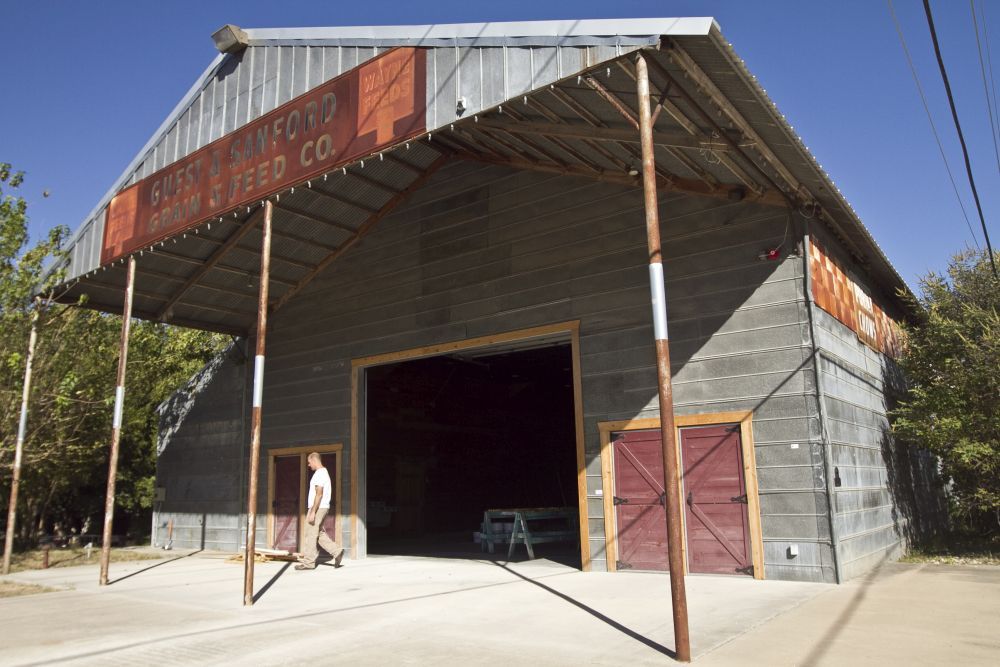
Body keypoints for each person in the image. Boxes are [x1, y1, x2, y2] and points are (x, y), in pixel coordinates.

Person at [295, 452, 345, 570]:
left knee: (310, 534)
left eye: (309, 462)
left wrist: (312, 511)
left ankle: (309, 563)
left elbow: (319, 494)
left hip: (318, 507)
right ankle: (337, 551)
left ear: (314, 460)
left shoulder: (320, 474)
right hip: (322, 507)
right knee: (318, 533)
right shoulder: (323, 473)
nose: (308, 464)